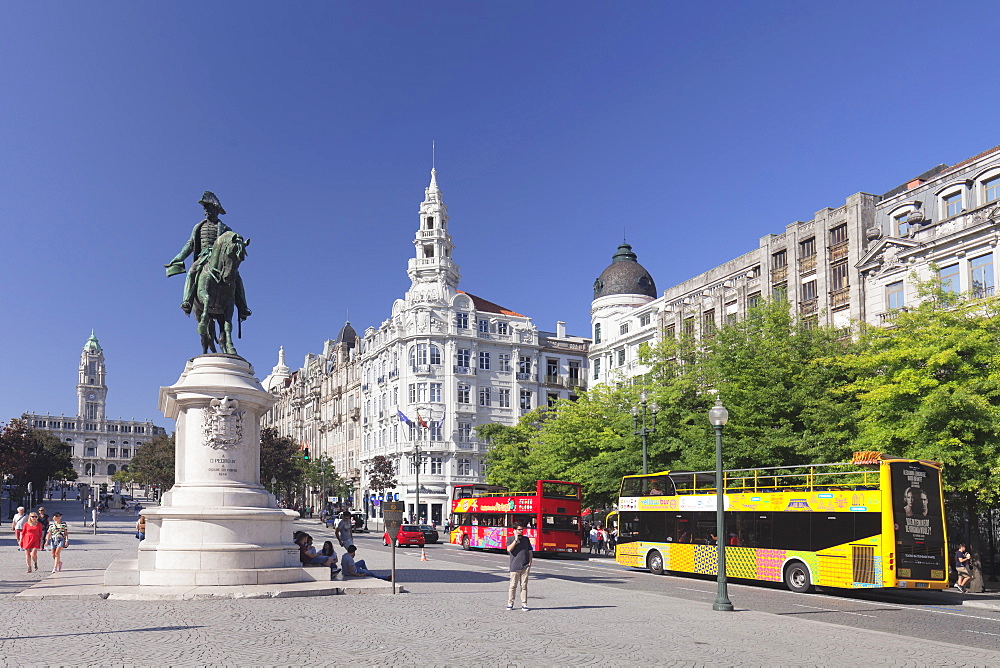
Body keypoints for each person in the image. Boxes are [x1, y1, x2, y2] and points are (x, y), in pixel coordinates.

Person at [506, 524, 533, 611]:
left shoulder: (526, 539)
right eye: (519, 529)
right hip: (514, 566)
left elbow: (530, 550)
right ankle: (510, 603)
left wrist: (530, 562)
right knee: (513, 585)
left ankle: (524, 604)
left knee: (524, 586)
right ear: (515, 530)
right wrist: (516, 540)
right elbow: (509, 549)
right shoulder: (510, 539)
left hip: (525, 566)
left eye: (522, 529)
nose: (521, 531)